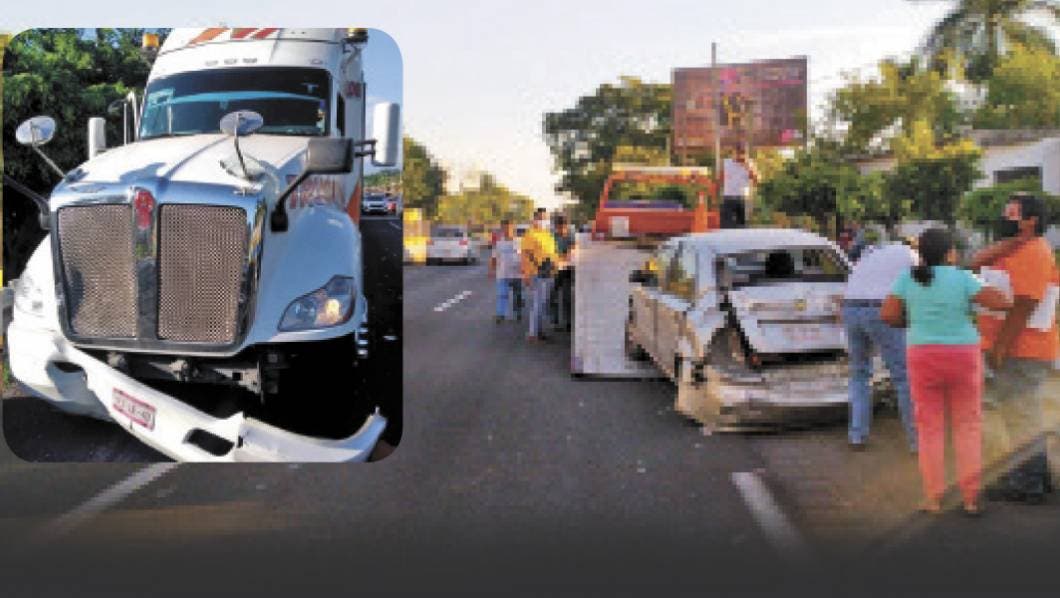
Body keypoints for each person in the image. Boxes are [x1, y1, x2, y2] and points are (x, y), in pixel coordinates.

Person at [882, 228, 1012, 515]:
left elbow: (888, 314)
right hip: (963, 356)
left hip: (922, 354)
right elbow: (1002, 302)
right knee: (967, 427)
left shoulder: (907, 278)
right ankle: (970, 499)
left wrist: (915, 321)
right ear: (950, 252)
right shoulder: (963, 277)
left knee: (930, 430)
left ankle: (933, 499)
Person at [971, 193, 1059, 504]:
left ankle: (1029, 484)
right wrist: (1006, 244)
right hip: (1013, 347)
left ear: (1030, 221)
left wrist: (1001, 347)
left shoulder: (1035, 252)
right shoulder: (1011, 250)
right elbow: (973, 264)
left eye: (1010, 213)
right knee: (1019, 414)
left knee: (1021, 416)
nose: (1003, 217)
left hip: (1024, 348)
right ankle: (1036, 477)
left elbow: (1025, 304)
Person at [842, 236, 920, 452]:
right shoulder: (909, 254)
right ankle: (917, 443)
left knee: (859, 374)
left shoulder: (872, 254)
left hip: (850, 308)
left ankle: (857, 436)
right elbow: (920, 287)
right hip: (879, 309)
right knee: (904, 376)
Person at [521, 208, 561, 341]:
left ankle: (539, 331)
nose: (545, 221)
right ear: (535, 219)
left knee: (544, 302)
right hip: (537, 272)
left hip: (549, 272)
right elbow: (526, 254)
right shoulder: (530, 234)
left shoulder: (548, 234)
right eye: (542, 218)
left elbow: (553, 252)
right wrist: (526, 274)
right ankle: (533, 333)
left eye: (546, 218)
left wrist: (557, 265)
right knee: (538, 302)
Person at [489, 219, 522, 323]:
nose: (506, 230)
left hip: (517, 274)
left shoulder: (520, 242)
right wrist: (492, 270)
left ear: (513, 229)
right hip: (502, 273)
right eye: (504, 228)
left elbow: (525, 257)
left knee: (517, 296)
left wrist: (526, 271)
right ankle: (501, 314)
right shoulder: (499, 243)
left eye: (509, 228)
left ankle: (518, 313)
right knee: (502, 295)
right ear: (502, 229)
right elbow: (494, 257)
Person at [720, 148, 757, 229]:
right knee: (726, 224)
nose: (739, 157)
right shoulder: (727, 163)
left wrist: (748, 167)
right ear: (733, 153)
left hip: (742, 197)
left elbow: (756, 179)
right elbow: (721, 178)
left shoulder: (750, 164)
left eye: (742, 154)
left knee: (742, 225)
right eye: (737, 154)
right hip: (728, 196)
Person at [551, 215, 574, 332]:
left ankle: (568, 322)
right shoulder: (552, 236)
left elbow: (572, 250)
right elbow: (550, 251)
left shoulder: (571, 235)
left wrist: (565, 256)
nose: (561, 230)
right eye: (559, 228)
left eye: (563, 227)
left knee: (567, 297)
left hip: (567, 271)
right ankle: (554, 321)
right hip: (555, 270)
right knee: (552, 296)